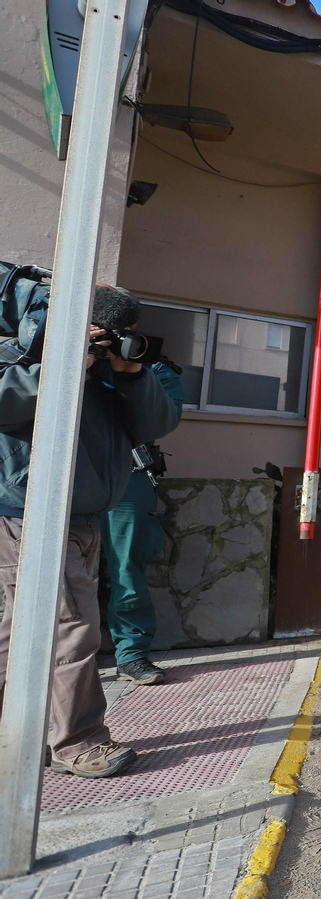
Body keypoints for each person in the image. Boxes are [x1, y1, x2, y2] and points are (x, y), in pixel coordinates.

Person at [0, 280, 183, 778]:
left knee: (21, 632)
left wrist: (130, 373)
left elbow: (158, 423)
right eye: (107, 332)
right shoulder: (23, 354)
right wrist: (66, 363)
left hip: (84, 514)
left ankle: (17, 737)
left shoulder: (119, 370)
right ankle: (79, 742)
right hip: (32, 512)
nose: (113, 341)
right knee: (71, 628)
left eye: (124, 333)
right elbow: (6, 404)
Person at [100, 353, 185, 686]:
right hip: (65, 475)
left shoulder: (154, 370)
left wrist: (130, 371)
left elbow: (161, 417)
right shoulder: (59, 352)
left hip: (127, 476)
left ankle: (131, 654)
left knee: (126, 567)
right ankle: (55, 657)